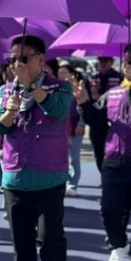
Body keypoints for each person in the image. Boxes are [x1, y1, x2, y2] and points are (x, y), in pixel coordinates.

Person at [0, 35, 72, 261]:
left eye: (24, 58)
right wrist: (10, 110)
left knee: (50, 240)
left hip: (49, 179)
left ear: (40, 59)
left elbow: (59, 110)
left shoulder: (60, 87)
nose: (17, 63)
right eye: (13, 58)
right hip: (15, 179)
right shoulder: (5, 90)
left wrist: (33, 88)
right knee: (21, 245)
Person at [75, 49, 131, 261]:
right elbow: (97, 120)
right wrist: (83, 102)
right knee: (109, 210)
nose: (128, 65)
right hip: (114, 161)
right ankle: (119, 245)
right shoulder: (113, 94)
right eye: (126, 61)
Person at [88, 55, 122, 173]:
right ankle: (103, 174)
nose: (102, 63)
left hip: (115, 120)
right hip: (97, 120)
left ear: (111, 62)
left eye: (105, 60)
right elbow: (88, 102)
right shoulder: (92, 79)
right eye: (100, 60)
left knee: (116, 150)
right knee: (98, 151)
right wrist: (93, 98)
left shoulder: (120, 78)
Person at [58, 63, 86, 197]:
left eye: (65, 72)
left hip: (75, 128)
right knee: (62, 159)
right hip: (60, 130)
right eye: (59, 73)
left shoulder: (79, 89)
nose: (62, 75)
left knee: (74, 158)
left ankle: (73, 185)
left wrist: (81, 123)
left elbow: (84, 108)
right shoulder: (57, 88)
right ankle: (62, 183)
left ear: (72, 75)